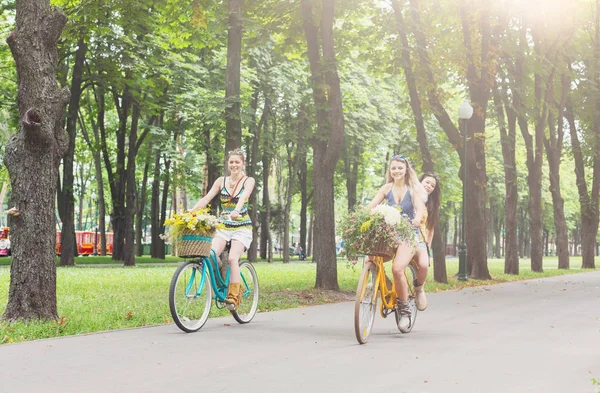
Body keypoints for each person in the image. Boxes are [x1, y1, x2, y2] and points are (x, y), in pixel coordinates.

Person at [190, 149, 255, 311]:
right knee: (210, 254)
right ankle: (219, 279)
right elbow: (206, 198)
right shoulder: (221, 180)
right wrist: (191, 212)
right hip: (224, 226)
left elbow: (244, 196)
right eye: (231, 162)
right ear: (228, 164)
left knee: (233, 258)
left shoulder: (248, 180)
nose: (234, 165)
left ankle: (233, 296)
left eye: (237, 162)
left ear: (243, 164)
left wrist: (237, 210)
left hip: (241, 227)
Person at [367, 155, 426, 332]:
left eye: (400, 168)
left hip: (408, 234)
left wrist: (416, 218)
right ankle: (387, 287)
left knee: (397, 269)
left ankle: (405, 309)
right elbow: (372, 205)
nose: (397, 171)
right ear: (390, 171)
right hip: (391, 233)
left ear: (406, 170)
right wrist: (363, 215)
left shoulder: (413, 189)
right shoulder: (386, 188)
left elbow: (420, 208)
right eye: (393, 168)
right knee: (370, 258)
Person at [412, 172, 441, 312]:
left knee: (423, 264)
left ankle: (419, 288)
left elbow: (430, 230)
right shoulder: (409, 193)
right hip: (402, 236)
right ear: (420, 181)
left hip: (419, 240)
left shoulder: (431, 206)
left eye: (432, 185)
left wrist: (427, 248)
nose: (429, 186)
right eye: (427, 182)